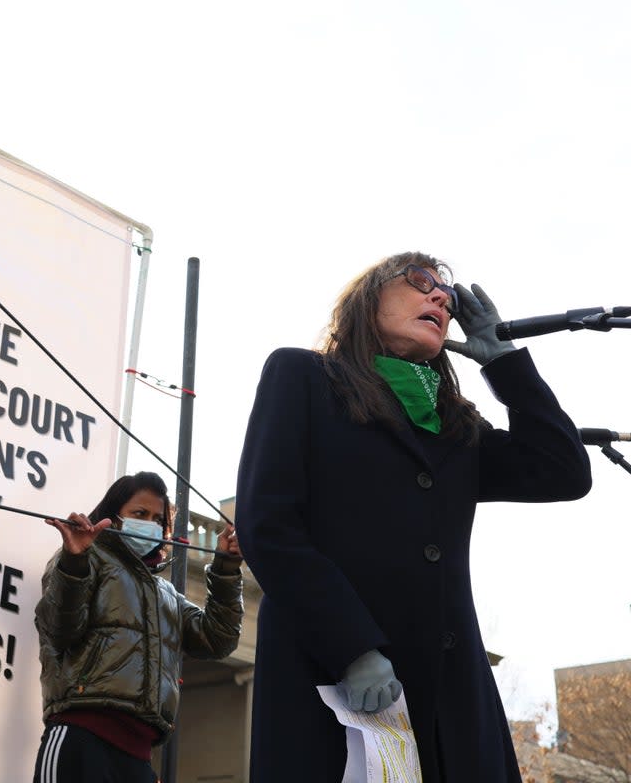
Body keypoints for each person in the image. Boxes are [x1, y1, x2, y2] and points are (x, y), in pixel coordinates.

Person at [235, 252, 591, 782]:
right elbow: (269, 526)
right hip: (337, 682)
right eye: (420, 281)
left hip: (453, 697)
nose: (441, 298)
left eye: (445, 292)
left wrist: (506, 366)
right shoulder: (303, 376)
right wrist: (351, 646)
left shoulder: (453, 424)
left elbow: (564, 472)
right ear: (368, 300)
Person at [33, 471, 245, 783]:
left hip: (139, 757)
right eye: (139, 514)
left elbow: (218, 639)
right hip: (81, 738)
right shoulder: (84, 559)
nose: (150, 523)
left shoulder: (166, 594)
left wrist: (226, 568)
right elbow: (59, 630)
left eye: (158, 519)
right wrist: (74, 562)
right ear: (114, 517)